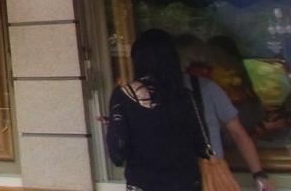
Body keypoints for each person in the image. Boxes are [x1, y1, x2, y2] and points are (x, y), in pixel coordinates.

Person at [106, 29, 207, 191]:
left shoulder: (123, 96)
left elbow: (117, 154)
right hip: (186, 182)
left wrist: (113, 125)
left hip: (144, 183)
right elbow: (202, 146)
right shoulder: (186, 96)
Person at [177, 36, 273, 191]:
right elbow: (238, 133)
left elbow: (237, 133)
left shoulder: (207, 88)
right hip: (204, 172)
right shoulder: (209, 88)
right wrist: (259, 175)